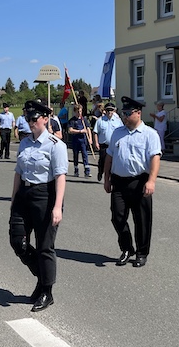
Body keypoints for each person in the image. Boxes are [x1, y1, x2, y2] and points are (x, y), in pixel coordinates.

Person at [8, 100, 67, 312]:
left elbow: (60, 176)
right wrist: (14, 199)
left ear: (45, 119)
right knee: (18, 241)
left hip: (45, 196)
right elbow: (18, 172)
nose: (30, 122)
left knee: (44, 246)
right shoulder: (24, 143)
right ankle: (42, 277)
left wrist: (57, 206)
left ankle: (46, 291)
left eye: (34, 118)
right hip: (24, 195)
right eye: (28, 118)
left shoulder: (55, 145)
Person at [103, 96, 162, 268]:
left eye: (128, 113)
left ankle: (142, 253)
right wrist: (106, 179)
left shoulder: (150, 134)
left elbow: (155, 158)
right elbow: (109, 157)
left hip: (139, 181)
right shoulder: (117, 133)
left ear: (138, 113)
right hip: (119, 182)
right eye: (123, 113)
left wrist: (151, 181)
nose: (125, 117)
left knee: (142, 220)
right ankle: (127, 248)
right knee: (117, 217)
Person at [93, 101, 123, 182]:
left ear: (114, 111)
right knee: (102, 161)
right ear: (105, 111)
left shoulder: (118, 121)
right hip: (104, 145)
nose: (109, 112)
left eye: (111, 110)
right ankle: (100, 171)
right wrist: (96, 143)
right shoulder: (100, 120)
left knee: (112, 162)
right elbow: (95, 132)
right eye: (108, 110)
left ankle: (110, 177)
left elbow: (122, 132)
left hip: (114, 146)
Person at [68, 104, 91, 178]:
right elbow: (70, 130)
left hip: (83, 140)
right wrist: (80, 131)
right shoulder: (72, 120)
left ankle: (87, 171)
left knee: (85, 155)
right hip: (75, 140)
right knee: (76, 155)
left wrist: (90, 138)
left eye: (80, 111)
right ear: (75, 112)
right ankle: (76, 170)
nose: (79, 113)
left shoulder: (84, 120)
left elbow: (88, 129)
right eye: (78, 112)